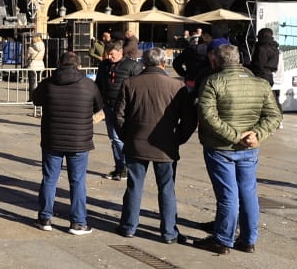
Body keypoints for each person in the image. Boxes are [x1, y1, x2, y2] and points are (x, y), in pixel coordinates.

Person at [195, 44, 282, 255]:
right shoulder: (260, 83)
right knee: (248, 192)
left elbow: (208, 117)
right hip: (249, 148)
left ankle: (223, 239)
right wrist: (256, 135)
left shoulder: (213, 82)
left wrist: (234, 136)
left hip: (221, 147)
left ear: (215, 61)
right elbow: (274, 115)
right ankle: (248, 239)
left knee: (228, 195)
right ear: (238, 59)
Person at [115, 47, 197, 243]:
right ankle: (169, 233)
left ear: (143, 63)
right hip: (166, 145)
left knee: (134, 186)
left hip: (136, 143)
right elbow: (189, 119)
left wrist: (127, 135)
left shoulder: (130, 83)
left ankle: (128, 227)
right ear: (163, 63)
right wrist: (179, 139)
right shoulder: (176, 86)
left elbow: (119, 116)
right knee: (167, 188)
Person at [31, 51, 106, 234]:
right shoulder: (89, 85)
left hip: (52, 139)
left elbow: (36, 99)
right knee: (78, 181)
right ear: (78, 65)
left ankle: (45, 218)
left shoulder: (48, 83)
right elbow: (98, 106)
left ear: (58, 64)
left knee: (50, 179)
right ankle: (78, 222)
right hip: (79, 141)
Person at [95, 39, 143, 179]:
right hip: (109, 107)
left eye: (112, 54)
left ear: (120, 51)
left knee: (119, 138)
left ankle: (125, 167)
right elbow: (99, 84)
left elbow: (138, 88)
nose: (109, 57)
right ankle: (120, 167)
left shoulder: (133, 66)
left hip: (125, 108)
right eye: (107, 54)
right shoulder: (104, 66)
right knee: (114, 139)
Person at [250, 28, 282, 103]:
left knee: (260, 101)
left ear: (262, 36)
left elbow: (259, 64)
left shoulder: (261, 48)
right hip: (269, 76)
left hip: (260, 76)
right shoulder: (275, 48)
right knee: (270, 100)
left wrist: (247, 67)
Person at [25, 33, 46, 101]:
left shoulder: (31, 47)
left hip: (32, 66)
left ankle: (32, 98)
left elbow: (27, 57)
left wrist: (26, 62)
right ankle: (39, 97)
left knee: (32, 83)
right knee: (39, 82)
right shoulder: (43, 47)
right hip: (40, 65)